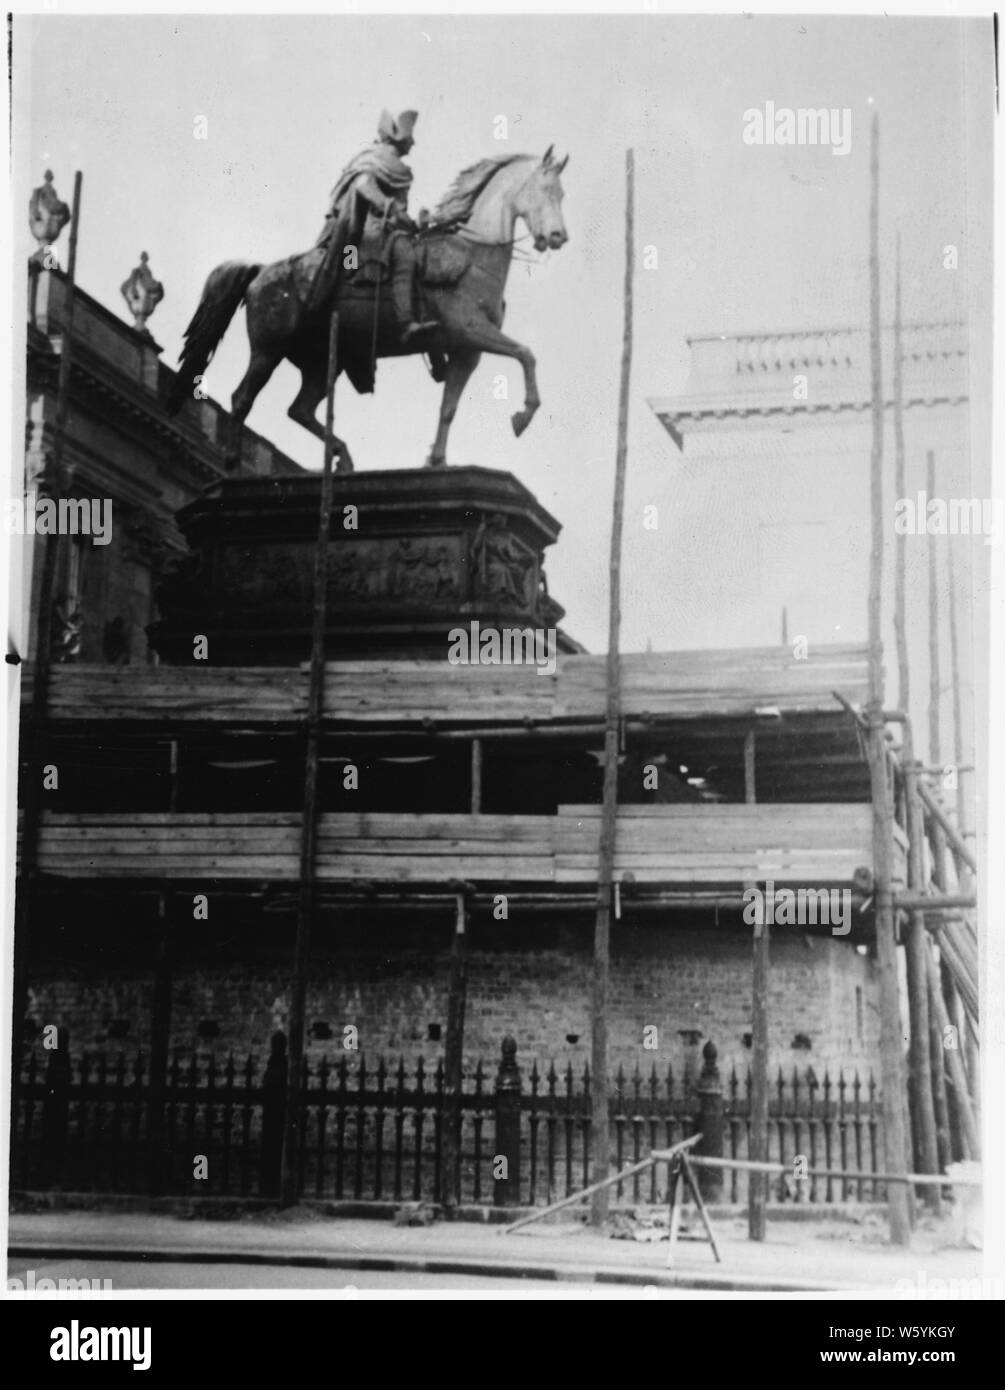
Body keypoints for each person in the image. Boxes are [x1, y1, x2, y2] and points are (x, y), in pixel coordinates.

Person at [314, 109, 438, 342]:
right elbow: (363, 185)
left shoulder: (397, 169)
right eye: (410, 139)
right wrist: (388, 207)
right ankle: (405, 322)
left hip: (377, 231)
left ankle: (433, 346)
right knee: (405, 257)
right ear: (401, 139)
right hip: (359, 231)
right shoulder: (375, 158)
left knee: (424, 257)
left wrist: (417, 224)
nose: (413, 144)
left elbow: (400, 214)